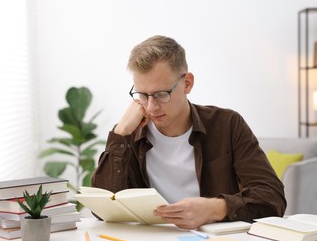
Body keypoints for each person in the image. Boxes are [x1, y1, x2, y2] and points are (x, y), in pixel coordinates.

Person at [92, 35, 286, 230]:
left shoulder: (227, 125)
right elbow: (101, 209)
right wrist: (121, 132)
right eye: (142, 95)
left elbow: (272, 197)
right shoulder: (129, 134)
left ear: (187, 83)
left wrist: (214, 208)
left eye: (161, 94)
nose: (151, 107)